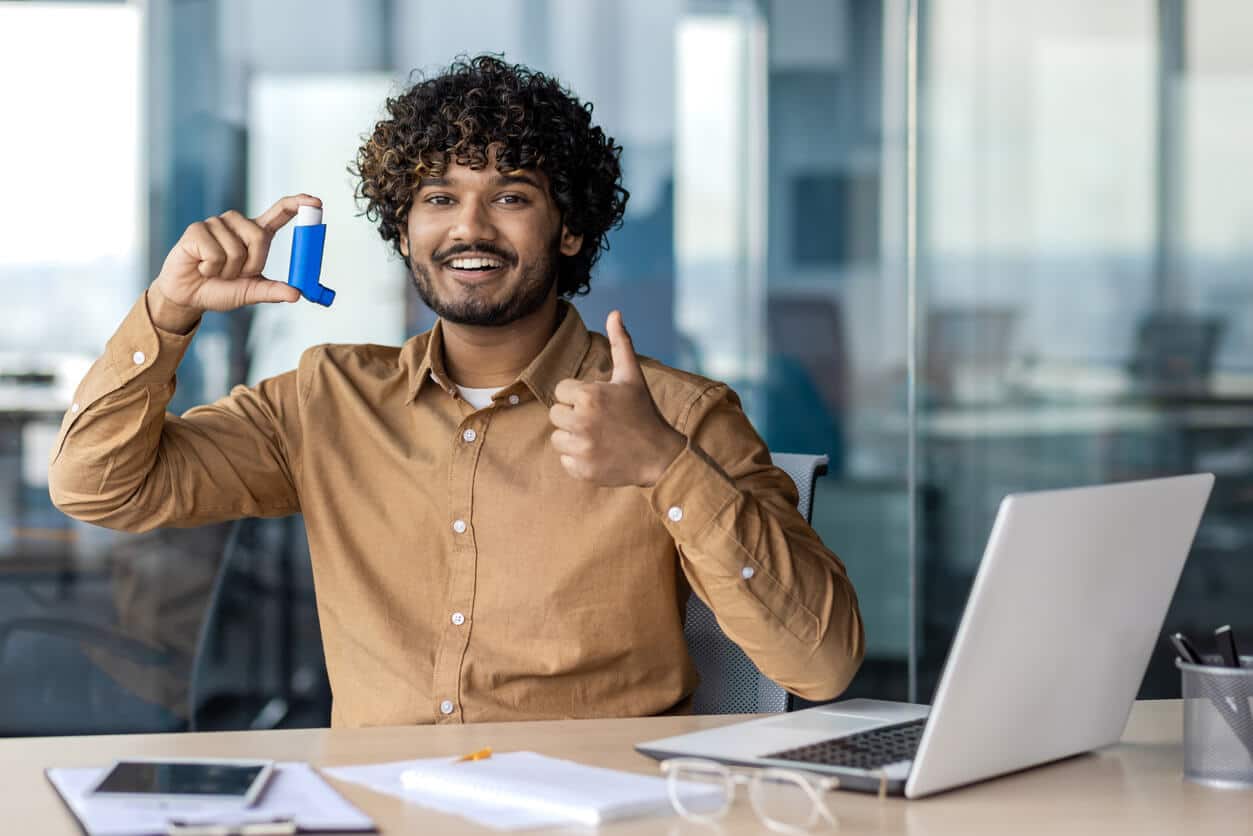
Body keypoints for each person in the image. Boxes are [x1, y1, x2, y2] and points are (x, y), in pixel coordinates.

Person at [49, 56, 863, 727]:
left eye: (511, 196)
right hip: (378, 805)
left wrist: (666, 468)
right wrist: (168, 311)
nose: (469, 227)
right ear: (404, 231)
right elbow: (97, 489)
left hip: (591, 813)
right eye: (439, 198)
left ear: (569, 228)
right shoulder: (327, 399)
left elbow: (820, 667)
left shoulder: (678, 415)